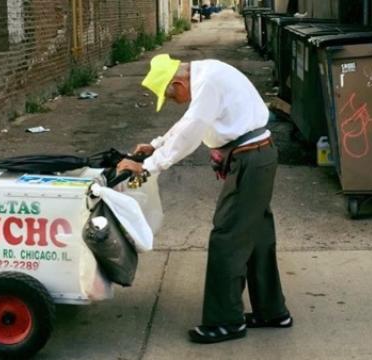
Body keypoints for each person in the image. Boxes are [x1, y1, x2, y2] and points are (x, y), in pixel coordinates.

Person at [117, 54, 292, 344]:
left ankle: (226, 322)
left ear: (177, 82)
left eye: (173, 97)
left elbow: (192, 129)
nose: (177, 102)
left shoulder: (207, 82)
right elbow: (189, 121)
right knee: (258, 237)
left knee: (227, 237)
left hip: (250, 160)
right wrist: (157, 145)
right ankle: (272, 312)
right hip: (256, 156)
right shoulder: (206, 74)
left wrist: (148, 166)